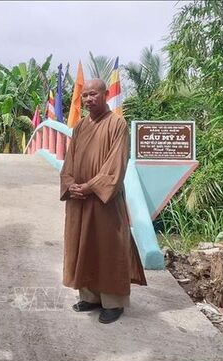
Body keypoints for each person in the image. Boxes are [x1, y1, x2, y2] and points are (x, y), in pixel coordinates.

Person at [59, 79, 147, 324]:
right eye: (84, 95)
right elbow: (69, 162)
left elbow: (116, 165)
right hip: (79, 199)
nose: (88, 99)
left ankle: (112, 303)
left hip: (103, 201)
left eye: (93, 94)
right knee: (82, 246)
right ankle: (89, 297)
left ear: (105, 94)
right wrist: (69, 185)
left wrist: (90, 186)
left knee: (107, 248)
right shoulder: (79, 127)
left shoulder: (117, 124)